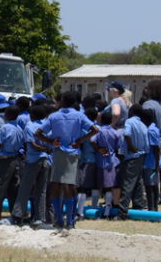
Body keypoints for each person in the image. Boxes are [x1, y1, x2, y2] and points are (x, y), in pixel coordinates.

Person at [35, 91, 99, 231]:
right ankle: (70, 220)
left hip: (58, 153)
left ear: (62, 101)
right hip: (72, 153)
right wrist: (79, 141)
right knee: (69, 186)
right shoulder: (78, 115)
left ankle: (58, 219)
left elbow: (38, 133)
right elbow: (94, 129)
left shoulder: (54, 116)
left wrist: (51, 142)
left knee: (56, 185)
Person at [11, 105, 51, 228]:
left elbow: (31, 145)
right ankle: (40, 218)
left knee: (25, 189)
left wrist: (41, 149)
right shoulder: (46, 126)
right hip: (45, 160)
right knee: (41, 190)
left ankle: (17, 216)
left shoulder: (29, 126)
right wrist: (46, 149)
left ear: (32, 115)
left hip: (33, 160)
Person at [118, 104, 149, 220]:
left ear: (131, 112)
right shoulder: (143, 125)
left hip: (131, 156)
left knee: (128, 183)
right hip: (141, 156)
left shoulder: (129, 122)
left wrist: (130, 146)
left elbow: (126, 134)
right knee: (138, 183)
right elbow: (147, 145)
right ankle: (138, 208)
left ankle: (122, 212)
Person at [91, 108, 122, 218]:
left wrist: (98, 149)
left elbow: (92, 140)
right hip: (112, 162)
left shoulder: (98, 131)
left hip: (100, 162)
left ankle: (93, 208)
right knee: (110, 187)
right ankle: (108, 211)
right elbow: (118, 147)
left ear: (101, 120)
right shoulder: (116, 133)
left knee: (97, 186)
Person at [142, 112, 161, 211]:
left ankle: (152, 209)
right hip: (153, 162)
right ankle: (154, 208)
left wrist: (157, 163)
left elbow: (156, 148)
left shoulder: (150, 131)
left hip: (151, 163)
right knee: (153, 185)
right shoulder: (153, 128)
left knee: (150, 186)